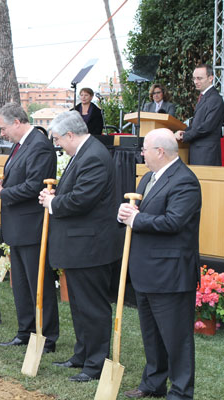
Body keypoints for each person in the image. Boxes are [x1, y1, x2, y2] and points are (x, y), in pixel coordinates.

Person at [39, 110, 122, 382]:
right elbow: (77, 193)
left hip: (91, 247)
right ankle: (82, 354)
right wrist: (56, 196)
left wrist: (53, 203)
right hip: (80, 246)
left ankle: (95, 363)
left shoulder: (94, 156)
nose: (57, 145)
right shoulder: (84, 153)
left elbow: (82, 199)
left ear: (71, 135)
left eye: (58, 139)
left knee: (93, 307)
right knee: (78, 305)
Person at [118, 128, 201, 399]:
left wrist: (136, 220)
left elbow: (174, 222)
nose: (141, 153)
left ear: (160, 152)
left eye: (145, 149)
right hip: (145, 271)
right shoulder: (149, 178)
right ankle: (153, 383)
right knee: (152, 335)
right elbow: (140, 213)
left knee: (177, 339)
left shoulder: (185, 181)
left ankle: (180, 392)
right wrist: (126, 214)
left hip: (170, 274)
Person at [0, 102, 58, 353]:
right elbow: (20, 176)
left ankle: (46, 336)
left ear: (17, 122)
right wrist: (1, 179)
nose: (2, 133)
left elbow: (34, 186)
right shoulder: (20, 145)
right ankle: (25, 331)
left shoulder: (39, 145)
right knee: (20, 283)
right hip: (17, 226)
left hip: (31, 226)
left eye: (4, 127)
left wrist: (3, 192)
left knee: (38, 283)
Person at [175, 63, 224, 166]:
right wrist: (183, 132)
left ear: (211, 78)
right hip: (198, 152)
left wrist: (185, 135)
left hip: (207, 155)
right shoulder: (204, 97)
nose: (196, 82)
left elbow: (207, 127)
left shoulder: (215, 99)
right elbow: (196, 125)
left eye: (199, 78)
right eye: (194, 78)